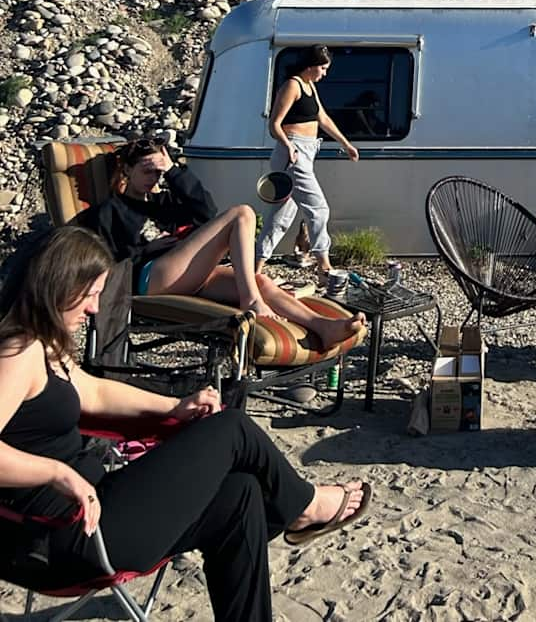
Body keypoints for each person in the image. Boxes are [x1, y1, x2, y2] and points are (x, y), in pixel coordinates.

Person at [0, 227, 371, 622]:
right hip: (64, 534)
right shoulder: (16, 352)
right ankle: (304, 506)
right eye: (90, 294)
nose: (94, 309)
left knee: (240, 495)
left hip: (94, 510)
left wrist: (174, 406)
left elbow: (95, 393)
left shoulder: (44, 345)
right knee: (231, 428)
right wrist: (58, 473)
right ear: (57, 284)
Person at [79, 137, 363, 351]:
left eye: (159, 172)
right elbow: (95, 253)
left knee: (260, 281)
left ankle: (323, 327)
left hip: (188, 274)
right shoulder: (110, 210)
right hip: (150, 277)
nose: (155, 178)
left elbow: (206, 211)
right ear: (127, 170)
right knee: (241, 214)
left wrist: (175, 172)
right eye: (147, 171)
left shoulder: (164, 202)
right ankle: (251, 301)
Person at [257, 47, 358, 286]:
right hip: (292, 151)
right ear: (311, 65)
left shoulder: (309, 87)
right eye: (322, 68)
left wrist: (346, 144)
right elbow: (275, 124)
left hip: (307, 150)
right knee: (318, 208)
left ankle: (255, 266)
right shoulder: (292, 86)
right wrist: (288, 146)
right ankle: (324, 268)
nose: (324, 74)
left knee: (282, 215)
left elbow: (322, 118)